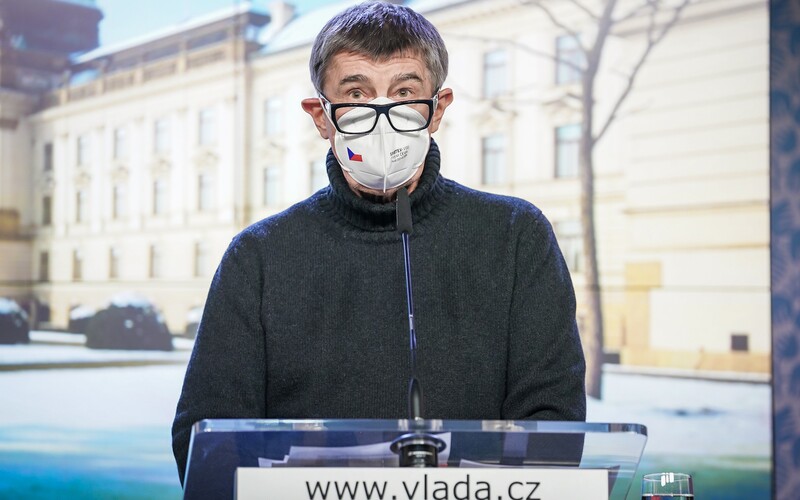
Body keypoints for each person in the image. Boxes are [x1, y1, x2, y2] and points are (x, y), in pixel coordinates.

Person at [172, 0, 586, 484]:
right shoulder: (259, 257)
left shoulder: (516, 237)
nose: (383, 115)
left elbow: (553, 423)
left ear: (437, 109)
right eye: (356, 92)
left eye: (405, 91)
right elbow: (208, 438)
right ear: (320, 116)